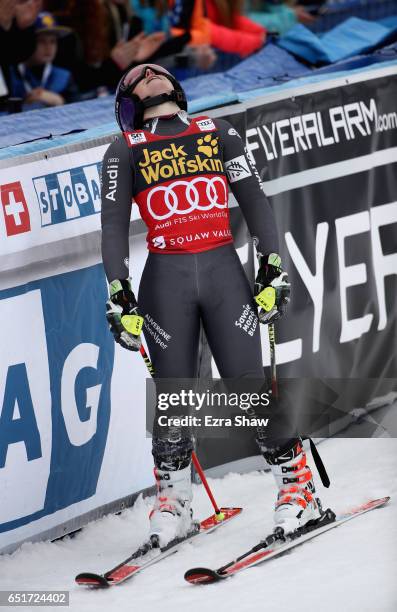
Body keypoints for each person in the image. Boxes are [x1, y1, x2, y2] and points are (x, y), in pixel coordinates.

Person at [101, 63, 323, 544]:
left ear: (177, 88)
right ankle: (175, 501)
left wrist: (273, 265)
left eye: (158, 72)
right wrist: (118, 291)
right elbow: (114, 227)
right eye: (139, 79)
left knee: (248, 388)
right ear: (129, 104)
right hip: (166, 281)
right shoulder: (123, 149)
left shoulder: (217, 131)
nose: (151, 77)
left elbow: (256, 201)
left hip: (224, 272)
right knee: (174, 397)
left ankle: (299, 489)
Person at [9, 11, 78, 108]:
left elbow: (79, 113)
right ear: (26, 42)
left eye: (53, 41)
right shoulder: (9, 76)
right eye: (41, 41)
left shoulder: (64, 77)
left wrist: (59, 101)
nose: (48, 47)